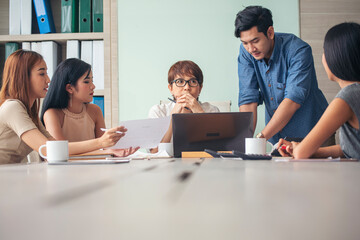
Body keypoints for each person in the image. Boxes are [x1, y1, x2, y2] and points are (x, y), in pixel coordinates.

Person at [0, 50, 130, 164]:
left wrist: (109, 150)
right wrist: (100, 143)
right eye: (42, 74)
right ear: (23, 77)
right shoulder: (12, 107)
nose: (48, 79)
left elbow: (58, 147)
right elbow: (47, 150)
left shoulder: (29, 112)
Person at [234, 6, 330, 144]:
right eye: (245, 43)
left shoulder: (298, 51)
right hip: (277, 139)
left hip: (313, 136)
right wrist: (242, 142)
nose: (250, 49)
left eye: (255, 41)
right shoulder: (247, 53)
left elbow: (292, 101)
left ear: (270, 32)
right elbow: (248, 99)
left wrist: (260, 138)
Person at [278, 22, 360, 159]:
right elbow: (352, 148)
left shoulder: (348, 97)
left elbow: (301, 154)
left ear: (336, 57)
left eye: (325, 51)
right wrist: (307, 149)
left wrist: (301, 148)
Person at [40, 58, 138, 156]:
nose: (93, 86)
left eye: (92, 81)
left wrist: (116, 148)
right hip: (64, 170)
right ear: (70, 88)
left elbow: (105, 148)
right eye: (87, 82)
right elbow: (59, 153)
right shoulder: (52, 114)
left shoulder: (95, 111)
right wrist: (102, 144)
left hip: (94, 169)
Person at [148, 60, 219, 144]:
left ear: (200, 88)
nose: (187, 87)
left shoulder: (211, 110)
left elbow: (217, 146)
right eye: (180, 82)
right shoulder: (158, 112)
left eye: (193, 81)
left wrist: (200, 113)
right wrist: (172, 117)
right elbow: (155, 151)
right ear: (171, 88)